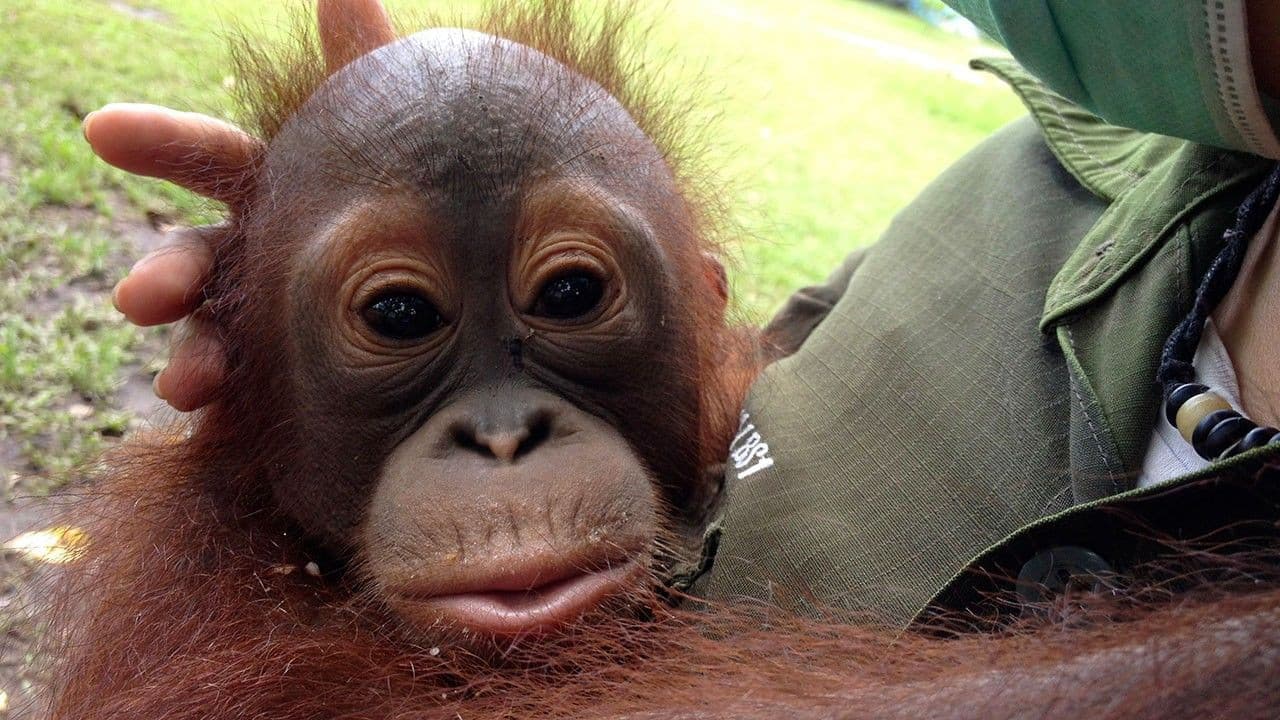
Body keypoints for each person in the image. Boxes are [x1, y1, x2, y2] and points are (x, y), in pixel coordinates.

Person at [87, 0, 1279, 626]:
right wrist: (275, 448)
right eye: (396, 318)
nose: (504, 439)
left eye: (571, 293)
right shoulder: (1066, 166)